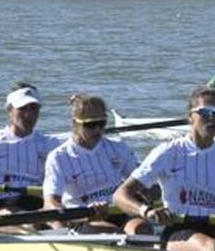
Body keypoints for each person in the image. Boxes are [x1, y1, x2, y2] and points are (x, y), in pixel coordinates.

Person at [113, 86, 215, 251]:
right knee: (211, 247)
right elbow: (121, 195)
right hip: (178, 229)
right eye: (206, 112)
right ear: (190, 117)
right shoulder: (168, 152)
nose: (213, 119)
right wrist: (146, 211)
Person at [42, 94, 149, 234]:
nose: (97, 130)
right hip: (82, 217)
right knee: (111, 232)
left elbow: (143, 182)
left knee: (142, 229)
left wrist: (153, 191)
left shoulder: (118, 147)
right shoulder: (59, 157)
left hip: (119, 211)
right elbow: (50, 203)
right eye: (90, 125)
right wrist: (61, 224)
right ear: (75, 123)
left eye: (102, 123)